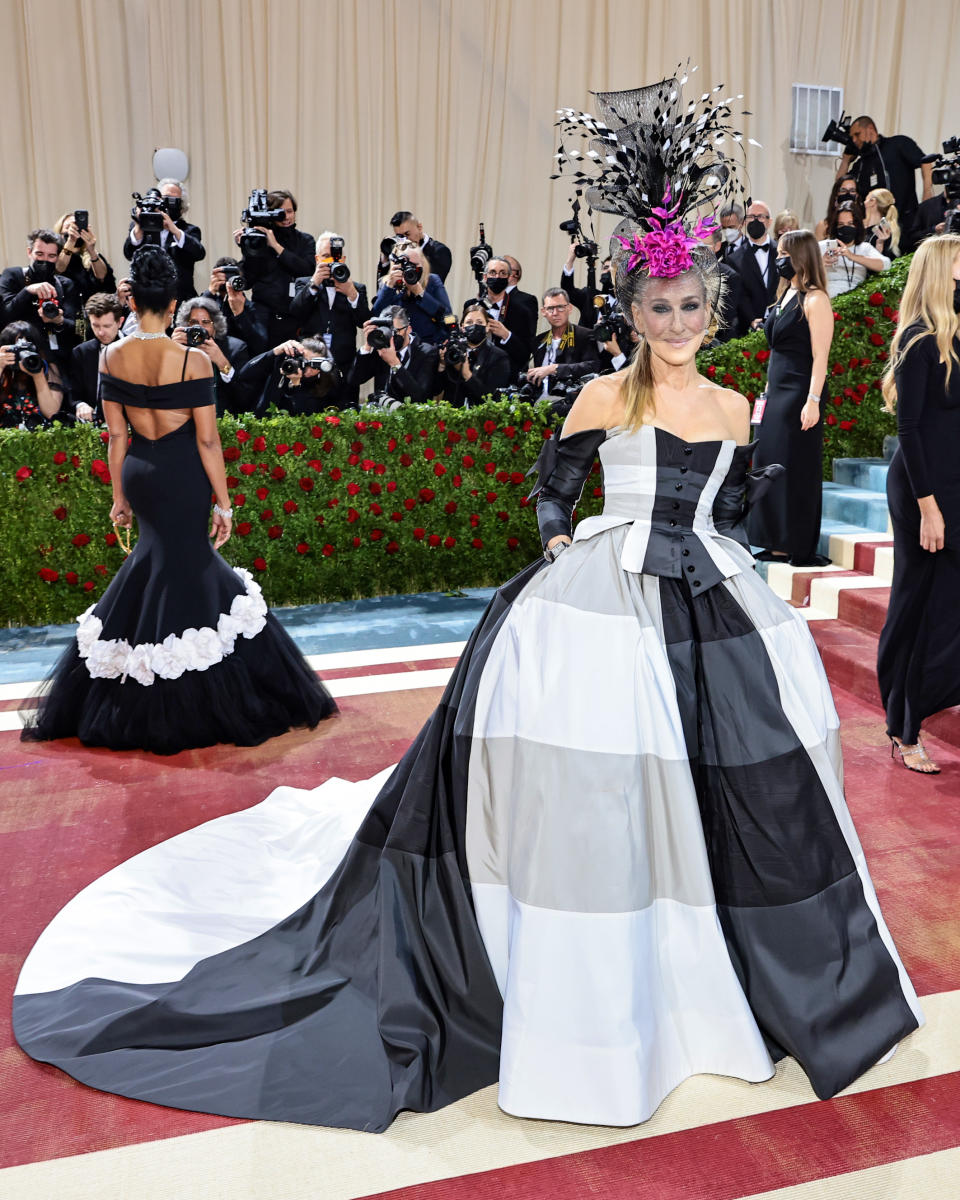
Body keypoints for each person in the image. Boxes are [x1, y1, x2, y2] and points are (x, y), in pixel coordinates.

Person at [13, 74, 921, 1138]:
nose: (675, 321)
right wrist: (555, 536)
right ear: (632, 312)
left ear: (710, 310)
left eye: (690, 307)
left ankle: (715, 967)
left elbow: (753, 493)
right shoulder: (601, 394)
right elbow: (552, 481)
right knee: (594, 797)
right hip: (598, 605)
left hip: (712, 602)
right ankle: (596, 982)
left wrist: (729, 544)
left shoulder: (734, 400)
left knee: (734, 790)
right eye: (658, 306)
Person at [20, 246, 335, 754]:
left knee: (165, 564)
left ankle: (145, 673)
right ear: (171, 305)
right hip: (184, 475)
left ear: (130, 303)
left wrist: (119, 494)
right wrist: (225, 503)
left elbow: (116, 437)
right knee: (191, 567)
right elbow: (208, 441)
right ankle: (197, 693)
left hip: (142, 475)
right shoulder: (189, 359)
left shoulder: (110, 355)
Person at [877, 234, 960, 774]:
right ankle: (904, 730)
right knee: (920, 605)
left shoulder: (954, 333)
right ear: (941, 270)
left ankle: (926, 705)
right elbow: (909, 428)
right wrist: (928, 507)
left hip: (956, 485)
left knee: (950, 606)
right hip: (923, 490)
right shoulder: (917, 338)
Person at [746, 230, 834, 565]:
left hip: (800, 394)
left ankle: (798, 544)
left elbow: (821, 356)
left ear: (800, 256)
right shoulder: (784, 296)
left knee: (796, 466)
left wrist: (812, 400)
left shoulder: (816, 299)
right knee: (770, 464)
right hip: (775, 395)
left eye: (784, 252)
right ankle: (775, 540)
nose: (778, 257)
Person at [289, 231, 370, 403]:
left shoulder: (356, 288)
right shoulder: (304, 283)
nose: (332, 261)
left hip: (344, 366)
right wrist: (314, 283)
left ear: (343, 259)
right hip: (310, 365)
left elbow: (364, 322)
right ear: (317, 259)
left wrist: (352, 294)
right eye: (326, 256)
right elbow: (296, 312)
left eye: (336, 257)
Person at [837, 117, 932, 252]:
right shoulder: (861, 163)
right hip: (874, 233)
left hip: (906, 224)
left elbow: (926, 162)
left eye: (857, 135)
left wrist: (927, 192)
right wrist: (846, 160)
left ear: (870, 129)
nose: (853, 140)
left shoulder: (898, 144)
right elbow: (840, 187)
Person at [234, 189, 316, 341]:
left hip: (295, 316)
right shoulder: (258, 240)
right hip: (264, 316)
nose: (286, 217)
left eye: (290, 211)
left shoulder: (305, 240)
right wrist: (248, 248)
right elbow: (247, 281)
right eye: (280, 212)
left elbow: (307, 270)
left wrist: (276, 246)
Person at [0, 229, 81, 382]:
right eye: (39, 254)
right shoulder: (13, 276)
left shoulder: (65, 285)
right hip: (17, 361)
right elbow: (5, 317)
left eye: (51, 256)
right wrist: (28, 291)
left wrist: (59, 321)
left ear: (58, 257)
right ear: (29, 252)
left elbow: (81, 329)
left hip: (56, 362)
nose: (45, 260)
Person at [123, 179, 205, 301]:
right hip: (148, 298)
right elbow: (129, 253)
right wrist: (139, 227)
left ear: (181, 205)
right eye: (164, 198)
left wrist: (174, 230)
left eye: (172, 200)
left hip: (179, 299)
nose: (167, 204)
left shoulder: (189, 230)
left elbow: (199, 253)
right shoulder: (141, 227)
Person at [172, 296, 251, 416]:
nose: (199, 328)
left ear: (215, 326)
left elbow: (244, 398)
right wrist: (172, 352)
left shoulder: (235, 348)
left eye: (205, 322)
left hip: (222, 420)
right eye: (194, 323)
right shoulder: (179, 348)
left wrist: (222, 363)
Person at [348, 307, 439, 404]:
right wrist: (367, 346)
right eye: (385, 330)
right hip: (383, 413)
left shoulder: (427, 352)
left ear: (408, 329)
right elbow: (354, 380)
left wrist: (394, 364)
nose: (390, 336)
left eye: (394, 331)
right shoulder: (381, 348)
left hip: (411, 415)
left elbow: (420, 397)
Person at [525, 287, 602, 398]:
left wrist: (554, 368)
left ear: (569, 308)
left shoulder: (585, 335)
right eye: (550, 308)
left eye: (560, 307)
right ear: (543, 312)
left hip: (569, 402)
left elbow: (592, 366)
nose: (555, 313)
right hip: (539, 402)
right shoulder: (539, 340)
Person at [240, 335, 343, 416]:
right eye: (305, 361)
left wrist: (295, 384)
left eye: (315, 365)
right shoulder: (283, 364)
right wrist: (274, 352)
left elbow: (304, 419)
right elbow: (244, 374)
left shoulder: (325, 383)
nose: (309, 369)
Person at [371, 244, 451, 345]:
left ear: (423, 264)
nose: (411, 270)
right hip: (396, 347)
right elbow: (375, 317)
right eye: (407, 265)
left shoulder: (432, 281)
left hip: (428, 347)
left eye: (415, 265)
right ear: (396, 265)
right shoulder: (387, 283)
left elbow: (448, 317)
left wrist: (420, 293)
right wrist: (389, 287)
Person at [436, 302, 511, 405]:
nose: (474, 326)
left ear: (487, 326)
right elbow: (436, 389)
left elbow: (493, 398)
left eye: (479, 322)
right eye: (469, 322)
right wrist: (442, 365)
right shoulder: (453, 351)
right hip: (451, 414)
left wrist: (467, 374)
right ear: (462, 327)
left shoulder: (499, 357)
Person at [69, 292, 125, 423]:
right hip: (91, 424)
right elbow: (73, 393)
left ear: (120, 322)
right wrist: (80, 405)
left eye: (107, 326)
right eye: (96, 325)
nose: (101, 332)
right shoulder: (81, 352)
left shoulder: (135, 350)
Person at [727, 200, 780, 335]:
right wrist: (752, 320)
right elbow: (739, 295)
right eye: (751, 217)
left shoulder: (782, 251)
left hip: (780, 321)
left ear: (769, 221)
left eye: (760, 216)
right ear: (744, 222)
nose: (755, 221)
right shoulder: (734, 259)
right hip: (748, 327)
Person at [0, 320, 64, 426]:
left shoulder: (48, 368)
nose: (21, 354)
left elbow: (51, 413)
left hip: (38, 437)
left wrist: (38, 375)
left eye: (27, 348)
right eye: (17, 349)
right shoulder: (3, 370)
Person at [482, 256, 536, 380]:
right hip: (474, 375)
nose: (497, 277)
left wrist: (507, 335)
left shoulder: (521, 311)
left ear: (509, 278)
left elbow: (525, 354)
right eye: (493, 272)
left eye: (502, 273)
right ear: (485, 277)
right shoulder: (473, 306)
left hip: (505, 377)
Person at [819, 203, 890, 298]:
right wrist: (821, 263)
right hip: (829, 298)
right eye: (841, 224)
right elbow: (804, 273)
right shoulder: (822, 246)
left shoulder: (864, 247)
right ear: (835, 226)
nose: (846, 228)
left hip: (858, 299)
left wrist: (852, 256)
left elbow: (886, 265)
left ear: (857, 225)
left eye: (850, 224)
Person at [202, 257, 270, 355]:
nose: (228, 282)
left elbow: (260, 348)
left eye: (232, 277)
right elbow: (195, 325)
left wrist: (240, 314)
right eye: (224, 277)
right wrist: (210, 292)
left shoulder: (257, 309)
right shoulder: (209, 304)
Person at [52, 211, 116, 309]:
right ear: (60, 234)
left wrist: (91, 250)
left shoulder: (90, 255)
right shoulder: (54, 256)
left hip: (93, 311)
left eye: (76, 226)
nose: (73, 230)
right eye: (68, 227)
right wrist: (71, 241)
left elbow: (103, 277)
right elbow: (59, 268)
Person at [379, 210, 451, 283]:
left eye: (407, 234)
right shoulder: (397, 253)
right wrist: (385, 261)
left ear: (419, 227)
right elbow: (381, 290)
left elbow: (430, 287)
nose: (405, 240)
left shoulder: (439, 251)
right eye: (400, 236)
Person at [813, 174, 863, 241]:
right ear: (836, 195)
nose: (848, 194)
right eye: (843, 190)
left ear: (857, 196)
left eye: (852, 191)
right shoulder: (824, 226)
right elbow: (816, 250)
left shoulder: (863, 223)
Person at [864, 188, 902, 259]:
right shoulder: (892, 230)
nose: (864, 203)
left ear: (872, 202)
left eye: (866, 199)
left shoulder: (884, 233)